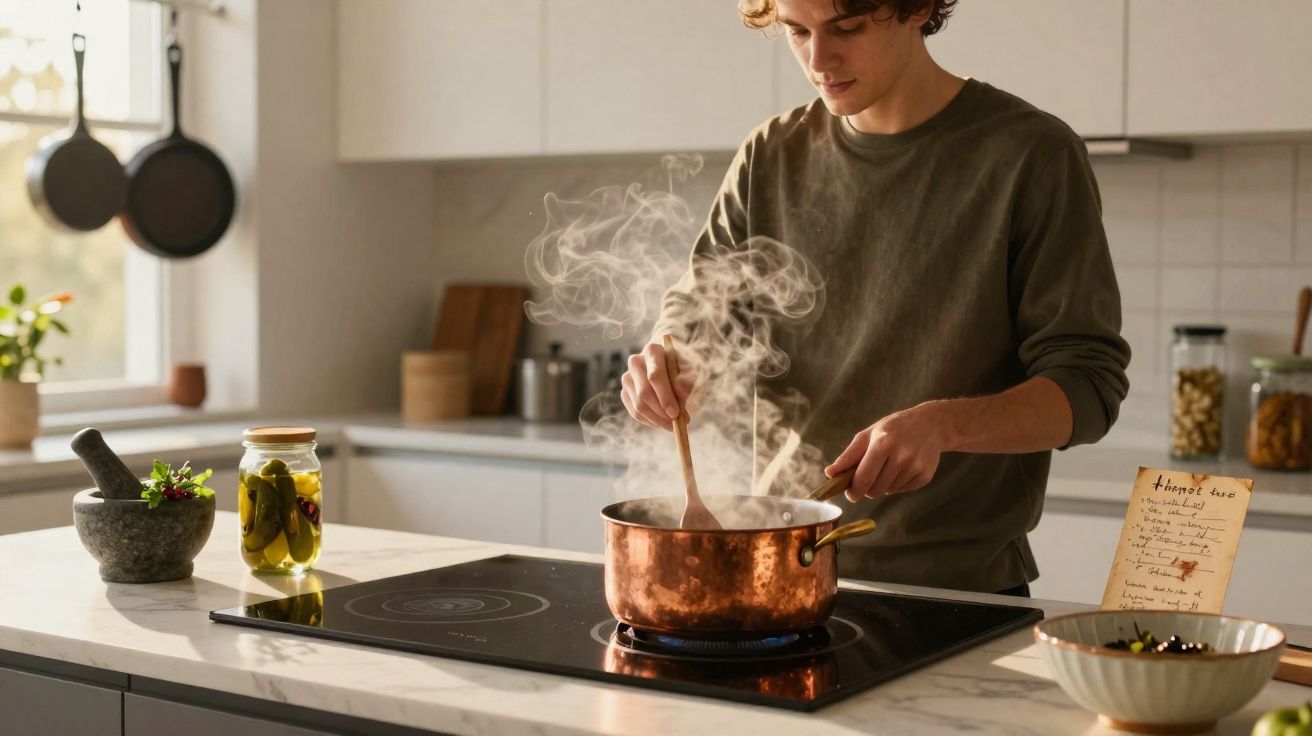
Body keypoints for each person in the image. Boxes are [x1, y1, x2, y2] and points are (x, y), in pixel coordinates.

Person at [620, 0, 1131, 597]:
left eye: (847, 28)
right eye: (797, 31)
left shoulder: (1031, 154)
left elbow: (1088, 388)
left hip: (958, 594)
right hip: (783, 574)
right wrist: (671, 359)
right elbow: (702, 313)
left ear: (917, 9)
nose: (818, 59)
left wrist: (943, 424)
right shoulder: (770, 156)